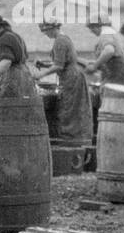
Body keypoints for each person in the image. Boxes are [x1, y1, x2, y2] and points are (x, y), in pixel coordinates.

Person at [32, 18, 93, 146]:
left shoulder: (60, 41)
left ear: (53, 28)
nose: (46, 34)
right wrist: (44, 64)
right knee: (73, 109)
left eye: (46, 31)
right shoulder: (64, 39)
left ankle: (71, 142)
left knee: (69, 109)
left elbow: (59, 66)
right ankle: (74, 139)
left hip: (71, 79)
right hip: (73, 76)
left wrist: (41, 74)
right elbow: (63, 62)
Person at [0, 13, 38, 97]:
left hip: (14, 78)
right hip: (25, 76)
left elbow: (6, 62)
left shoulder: (4, 38)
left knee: (11, 106)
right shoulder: (17, 36)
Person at [84, 18, 124, 86]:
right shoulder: (110, 32)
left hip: (115, 70)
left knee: (111, 94)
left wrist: (95, 66)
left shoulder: (106, 33)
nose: (91, 31)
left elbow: (109, 51)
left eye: (92, 28)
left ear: (98, 26)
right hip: (117, 69)